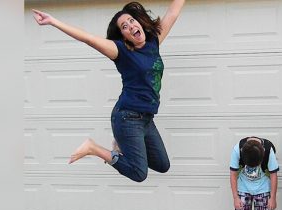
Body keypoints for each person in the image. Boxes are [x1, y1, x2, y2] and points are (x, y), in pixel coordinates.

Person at [32, 1, 185, 182]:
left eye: (132, 21)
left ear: (140, 22)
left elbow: (173, 13)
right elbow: (88, 38)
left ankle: (122, 143)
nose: (131, 26)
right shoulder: (120, 51)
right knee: (139, 173)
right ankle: (93, 148)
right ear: (124, 36)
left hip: (146, 119)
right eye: (124, 27)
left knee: (162, 165)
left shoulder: (153, 42)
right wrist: (53, 21)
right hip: (127, 117)